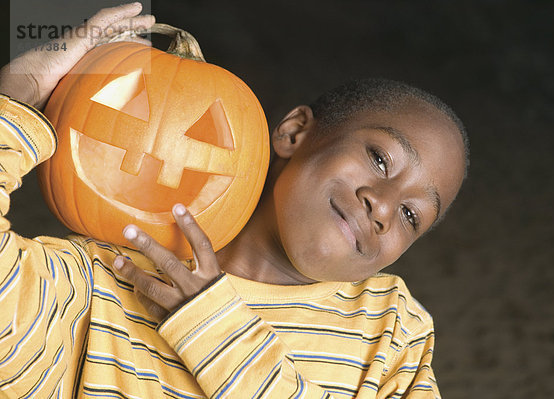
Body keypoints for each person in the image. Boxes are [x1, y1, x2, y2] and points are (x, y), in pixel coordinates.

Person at [0, 3, 468, 398]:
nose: (383, 207)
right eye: (380, 160)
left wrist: (215, 327)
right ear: (294, 133)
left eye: (411, 214)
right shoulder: (107, 276)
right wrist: (13, 98)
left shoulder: (391, 330)